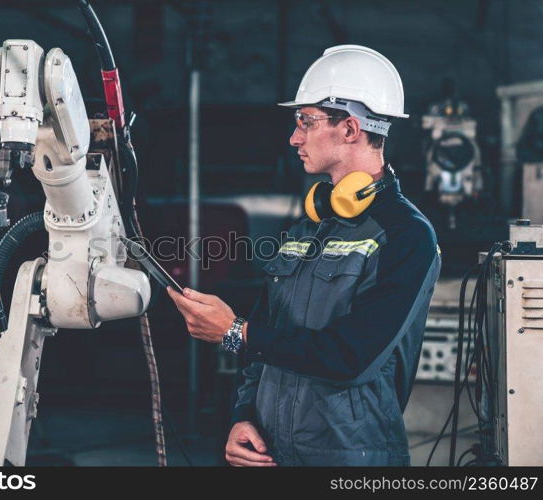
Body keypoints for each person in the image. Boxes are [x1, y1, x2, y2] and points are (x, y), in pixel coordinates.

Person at [167, 45, 440, 466]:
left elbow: (352, 357)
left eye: (306, 122)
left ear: (350, 129)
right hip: (273, 451)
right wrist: (243, 416)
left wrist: (236, 331)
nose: (294, 137)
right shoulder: (307, 225)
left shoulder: (406, 235)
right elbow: (267, 333)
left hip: (352, 458)